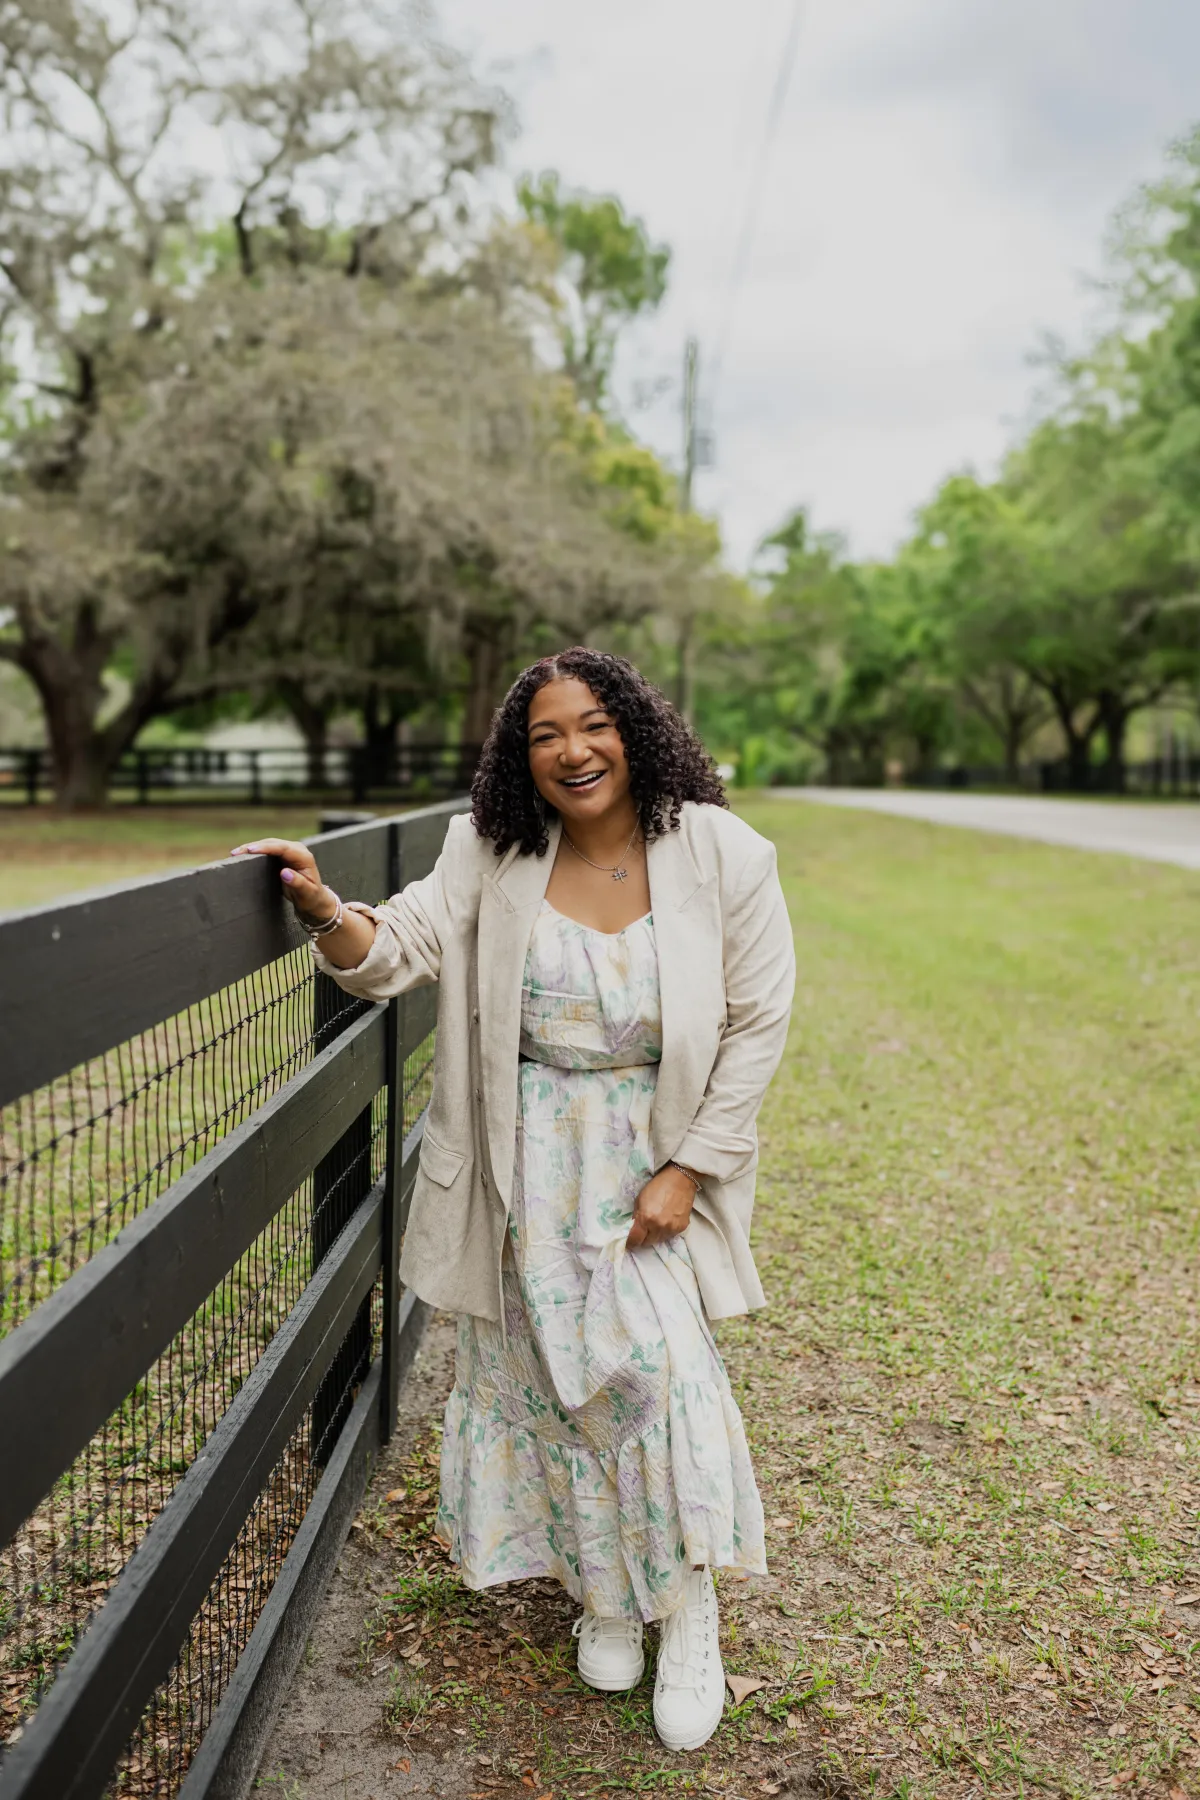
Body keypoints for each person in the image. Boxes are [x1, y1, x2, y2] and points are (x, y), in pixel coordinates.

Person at [233, 648, 794, 1751]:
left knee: (658, 1378)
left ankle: (689, 1612)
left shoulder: (723, 852)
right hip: (521, 1166)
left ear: (634, 729)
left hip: (648, 1162)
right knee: (548, 1384)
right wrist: (317, 906)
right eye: (545, 736)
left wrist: (688, 1168)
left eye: (593, 725)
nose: (573, 751)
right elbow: (392, 951)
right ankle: (604, 1594)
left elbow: (759, 1019)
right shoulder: (488, 848)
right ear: (520, 756)